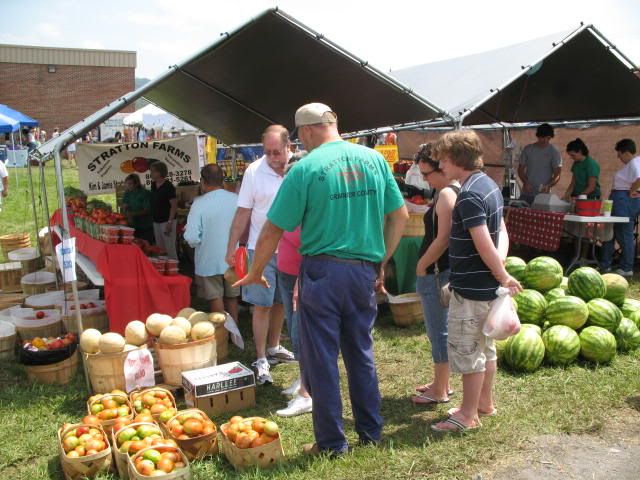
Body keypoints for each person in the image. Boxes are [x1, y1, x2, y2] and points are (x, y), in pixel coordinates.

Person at [235, 103, 408, 456]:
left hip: (323, 271)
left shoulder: (305, 169)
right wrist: (382, 260)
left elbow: (271, 230)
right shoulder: (374, 160)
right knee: (360, 352)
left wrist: (255, 271)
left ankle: (331, 443)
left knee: (321, 358)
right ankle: (371, 432)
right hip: (362, 269)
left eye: (300, 136)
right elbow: (400, 215)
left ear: (308, 130)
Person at [430, 130, 522, 433]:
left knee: (469, 352)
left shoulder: (468, 195)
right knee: (486, 348)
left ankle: (467, 415)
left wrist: (503, 274)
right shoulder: (490, 186)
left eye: (442, 158)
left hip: (471, 290)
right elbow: (502, 234)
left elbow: (483, 243)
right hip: (487, 289)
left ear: (456, 159)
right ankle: (484, 403)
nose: (439, 164)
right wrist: (501, 269)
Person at [225, 125, 295, 385]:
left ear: (289, 147)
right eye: (268, 152)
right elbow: (243, 212)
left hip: (290, 248)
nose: (273, 158)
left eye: (277, 152)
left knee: (280, 302)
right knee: (262, 304)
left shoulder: (298, 168)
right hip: (259, 248)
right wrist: (231, 246)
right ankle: (261, 357)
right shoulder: (254, 171)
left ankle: (274, 347)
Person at [411, 143, 459, 406]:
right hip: (439, 271)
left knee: (438, 330)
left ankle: (440, 390)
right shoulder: (445, 192)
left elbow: (443, 239)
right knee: (439, 329)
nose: (425, 179)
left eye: (427, 174)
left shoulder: (447, 195)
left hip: (438, 273)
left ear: (442, 168)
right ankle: (442, 381)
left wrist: (422, 266)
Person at [185, 164, 240, 321]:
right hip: (233, 257)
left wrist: (194, 243)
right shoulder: (236, 199)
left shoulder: (199, 203)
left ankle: (222, 332)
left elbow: (192, 237)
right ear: (222, 180)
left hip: (209, 258)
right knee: (231, 297)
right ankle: (234, 334)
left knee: (215, 297)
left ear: (203, 181)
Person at [600, 138, 640, 278]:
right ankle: (607, 263)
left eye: (619, 153)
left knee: (624, 233)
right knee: (612, 230)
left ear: (626, 152)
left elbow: (639, 178)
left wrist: (631, 191)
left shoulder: (635, 163)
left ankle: (626, 267)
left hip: (623, 198)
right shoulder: (634, 163)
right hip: (621, 197)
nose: (618, 157)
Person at [518, 123, 562, 204]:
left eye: (548, 138)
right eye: (542, 138)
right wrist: (525, 182)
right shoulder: (528, 149)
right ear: (537, 136)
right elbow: (520, 169)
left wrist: (548, 185)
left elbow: (557, 175)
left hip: (543, 196)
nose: (545, 140)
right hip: (526, 193)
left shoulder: (554, 152)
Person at [150, 161, 178, 260]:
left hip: (167, 220)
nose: (151, 173)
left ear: (160, 172)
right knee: (160, 248)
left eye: (153, 171)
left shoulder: (168, 186)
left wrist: (170, 222)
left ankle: (175, 270)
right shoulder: (153, 185)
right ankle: (164, 269)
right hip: (156, 220)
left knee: (170, 248)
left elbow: (174, 205)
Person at [122, 173, 154, 243]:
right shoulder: (127, 193)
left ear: (136, 184)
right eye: (127, 184)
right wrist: (125, 209)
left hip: (145, 225)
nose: (127, 186)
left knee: (147, 245)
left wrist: (132, 214)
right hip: (132, 225)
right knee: (135, 245)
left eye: (130, 184)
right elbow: (125, 205)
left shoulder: (145, 193)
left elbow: (147, 210)